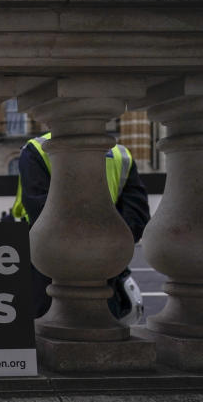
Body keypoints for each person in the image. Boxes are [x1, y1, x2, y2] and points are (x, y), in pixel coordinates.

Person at [11, 132, 150, 319]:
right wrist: (107, 249)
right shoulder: (120, 153)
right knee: (102, 332)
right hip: (105, 268)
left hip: (47, 265)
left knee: (48, 330)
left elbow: (41, 213)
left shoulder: (37, 149)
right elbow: (137, 217)